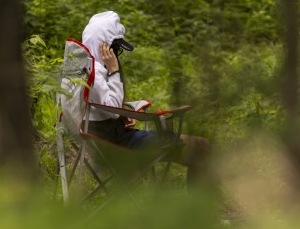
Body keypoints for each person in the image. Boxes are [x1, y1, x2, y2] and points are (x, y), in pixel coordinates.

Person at [81, 11, 213, 187]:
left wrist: (119, 116)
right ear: (103, 46)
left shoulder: (78, 69)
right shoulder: (96, 73)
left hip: (100, 142)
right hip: (122, 147)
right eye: (115, 48)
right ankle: (198, 208)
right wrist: (114, 71)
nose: (117, 54)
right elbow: (111, 107)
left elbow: (97, 107)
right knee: (202, 146)